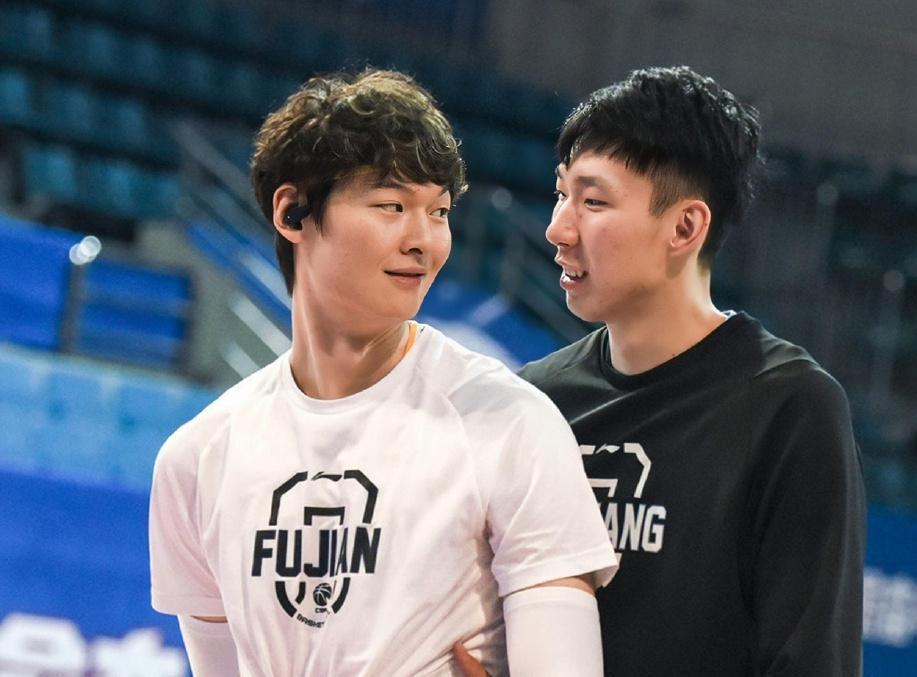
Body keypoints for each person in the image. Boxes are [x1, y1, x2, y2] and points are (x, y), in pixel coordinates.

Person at [149, 69, 617, 677]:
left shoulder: (508, 423)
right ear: (292, 213)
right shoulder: (196, 459)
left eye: (439, 212)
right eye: (391, 206)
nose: (424, 240)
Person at [456, 66, 866, 676]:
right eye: (561, 194)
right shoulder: (536, 401)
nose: (557, 229)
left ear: (685, 227)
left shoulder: (789, 409)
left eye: (593, 201)